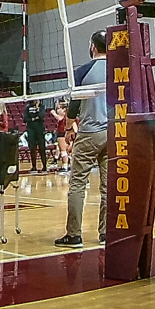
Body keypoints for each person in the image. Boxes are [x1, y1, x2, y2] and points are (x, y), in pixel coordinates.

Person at [55, 31, 109, 248]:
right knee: (109, 186)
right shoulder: (119, 70)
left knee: (78, 183)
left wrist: (69, 128)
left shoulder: (83, 71)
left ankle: (74, 234)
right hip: (114, 133)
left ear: (93, 47)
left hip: (89, 132)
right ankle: (106, 234)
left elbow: (75, 104)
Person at [24, 100, 47, 172]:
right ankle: (34, 167)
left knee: (42, 148)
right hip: (31, 129)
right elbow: (25, 119)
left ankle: (44, 166)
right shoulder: (27, 108)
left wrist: (37, 108)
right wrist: (34, 118)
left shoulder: (42, 107)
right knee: (32, 148)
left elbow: (41, 116)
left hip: (40, 129)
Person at [49, 100, 71, 172]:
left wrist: (53, 113)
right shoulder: (67, 115)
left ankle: (65, 167)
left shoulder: (63, 116)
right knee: (63, 150)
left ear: (64, 109)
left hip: (62, 134)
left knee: (63, 151)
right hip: (62, 133)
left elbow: (59, 118)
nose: (57, 110)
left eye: (59, 108)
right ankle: (67, 165)